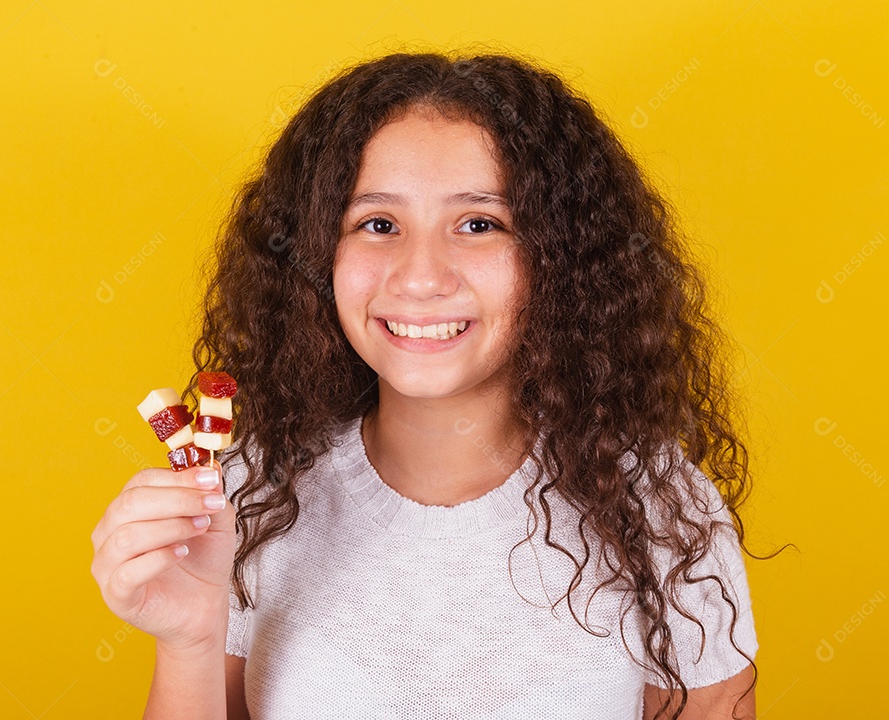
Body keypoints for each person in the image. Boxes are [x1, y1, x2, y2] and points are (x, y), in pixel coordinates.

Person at [91, 50, 772, 719]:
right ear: (317, 254)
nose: (420, 276)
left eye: (480, 224)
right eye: (377, 224)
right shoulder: (246, 498)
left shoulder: (656, 506)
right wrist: (191, 640)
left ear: (559, 258)